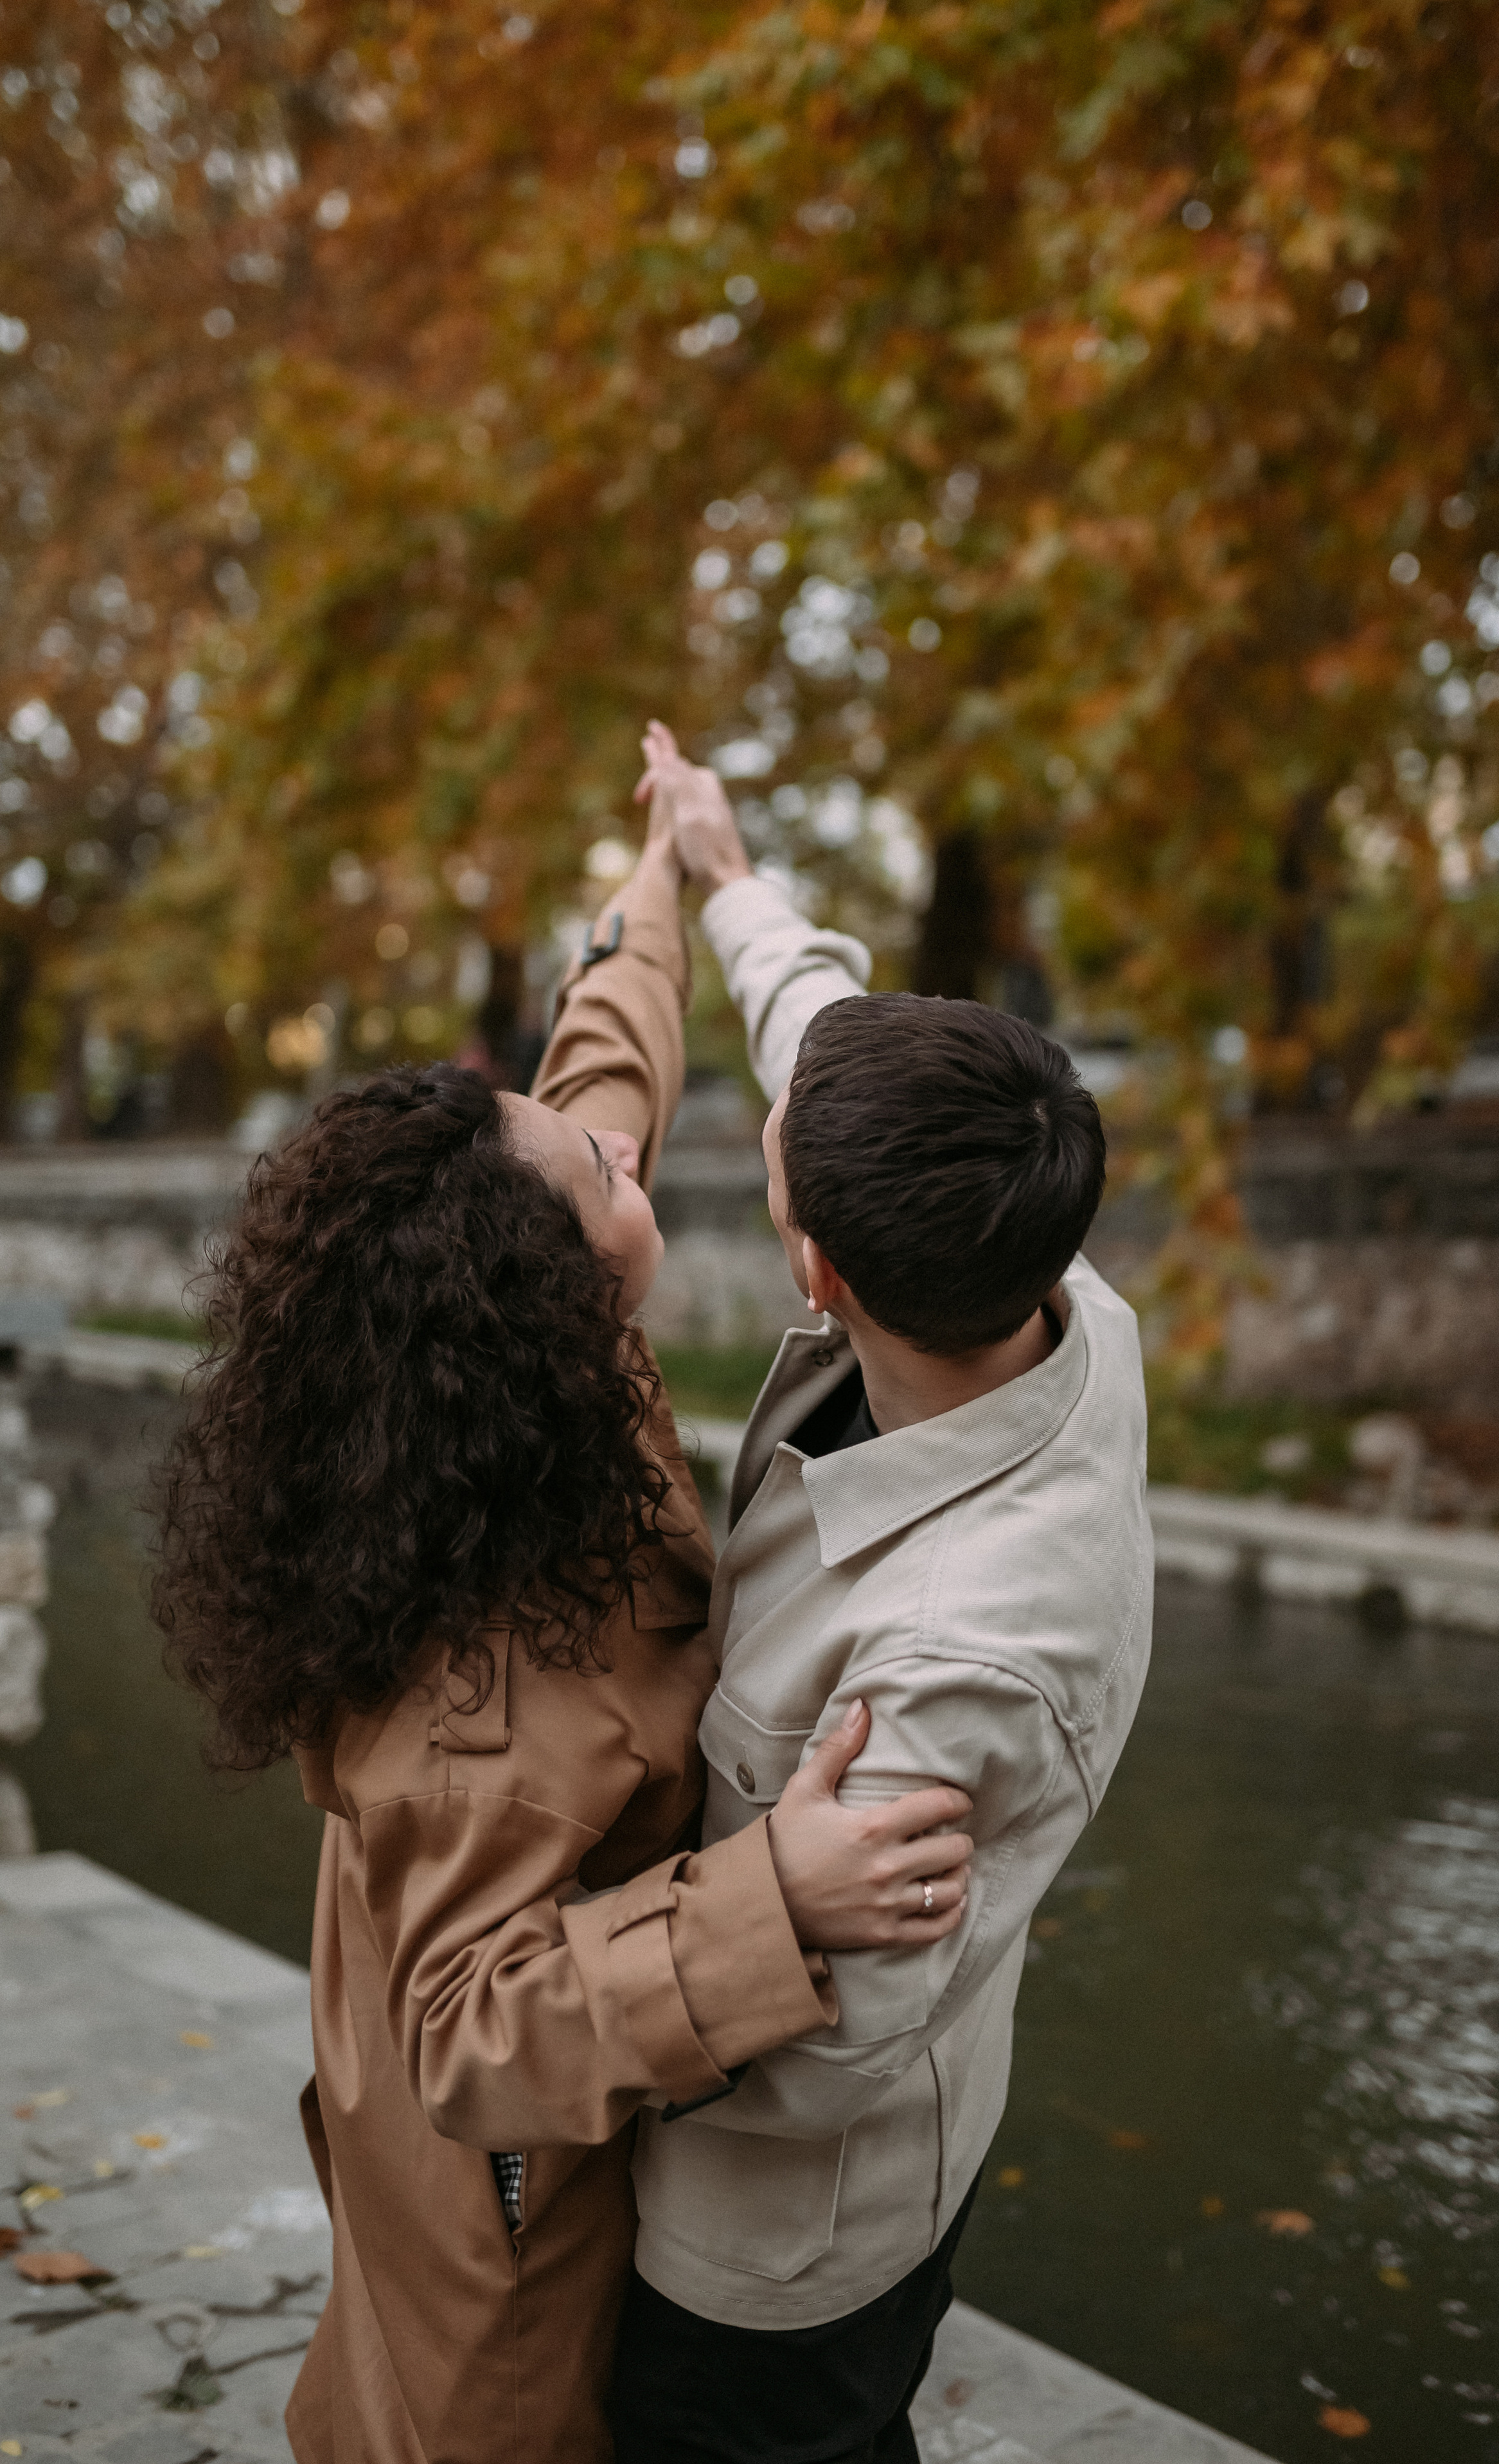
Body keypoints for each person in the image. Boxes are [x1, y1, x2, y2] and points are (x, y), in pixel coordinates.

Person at [152, 762, 977, 2464]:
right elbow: (475, 2026)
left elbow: (597, 1059)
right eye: (600, 1173)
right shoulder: (484, 1699)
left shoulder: (504, 1373)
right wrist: (777, 1900)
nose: (618, 1142)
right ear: (551, 1286)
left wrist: (663, 878)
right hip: (504, 2201)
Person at [607, 733, 1154, 2464]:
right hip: (923, 2134)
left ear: (814, 1265)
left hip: (772, 2244)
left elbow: (829, 2055)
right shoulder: (1032, 1260)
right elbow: (821, 1022)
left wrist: (657, 1946)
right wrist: (725, 865)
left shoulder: (960, 1660)